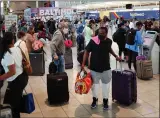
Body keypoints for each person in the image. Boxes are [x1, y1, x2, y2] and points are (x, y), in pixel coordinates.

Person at [82, 27, 121, 110]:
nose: (100, 34)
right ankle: (94, 100)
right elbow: (86, 51)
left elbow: (109, 49)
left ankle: (105, 101)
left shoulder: (109, 41)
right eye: (99, 33)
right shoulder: (93, 41)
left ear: (106, 33)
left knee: (106, 86)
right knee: (95, 86)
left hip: (106, 68)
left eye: (102, 33)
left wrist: (116, 56)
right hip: (94, 68)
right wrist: (83, 64)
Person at [0, 32, 28, 118]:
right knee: (15, 104)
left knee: (11, 106)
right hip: (23, 77)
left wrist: (0, 78)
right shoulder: (17, 48)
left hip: (16, 82)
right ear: (13, 40)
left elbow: (12, 72)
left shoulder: (7, 54)